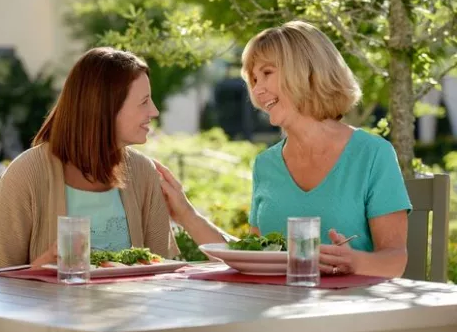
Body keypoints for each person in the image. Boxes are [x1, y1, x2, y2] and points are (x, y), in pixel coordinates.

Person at [155, 20, 412, 278]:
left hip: (352, 311)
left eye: (267, 73)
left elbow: (395, 260)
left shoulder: (372, 155)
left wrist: (354, 261)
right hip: (276, 309)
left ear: (307, 71)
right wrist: (186, 214)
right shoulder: (266, 164)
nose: (257, 89)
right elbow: (253, 256)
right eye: (254, 79)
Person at [0, 47, 215, 270]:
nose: (154, 111)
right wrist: (41, 267)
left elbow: (162, 269)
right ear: (105, 108)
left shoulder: (143, 172)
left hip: (132, 312)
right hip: (49, 311)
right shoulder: (28, 173)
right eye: (144, 102)